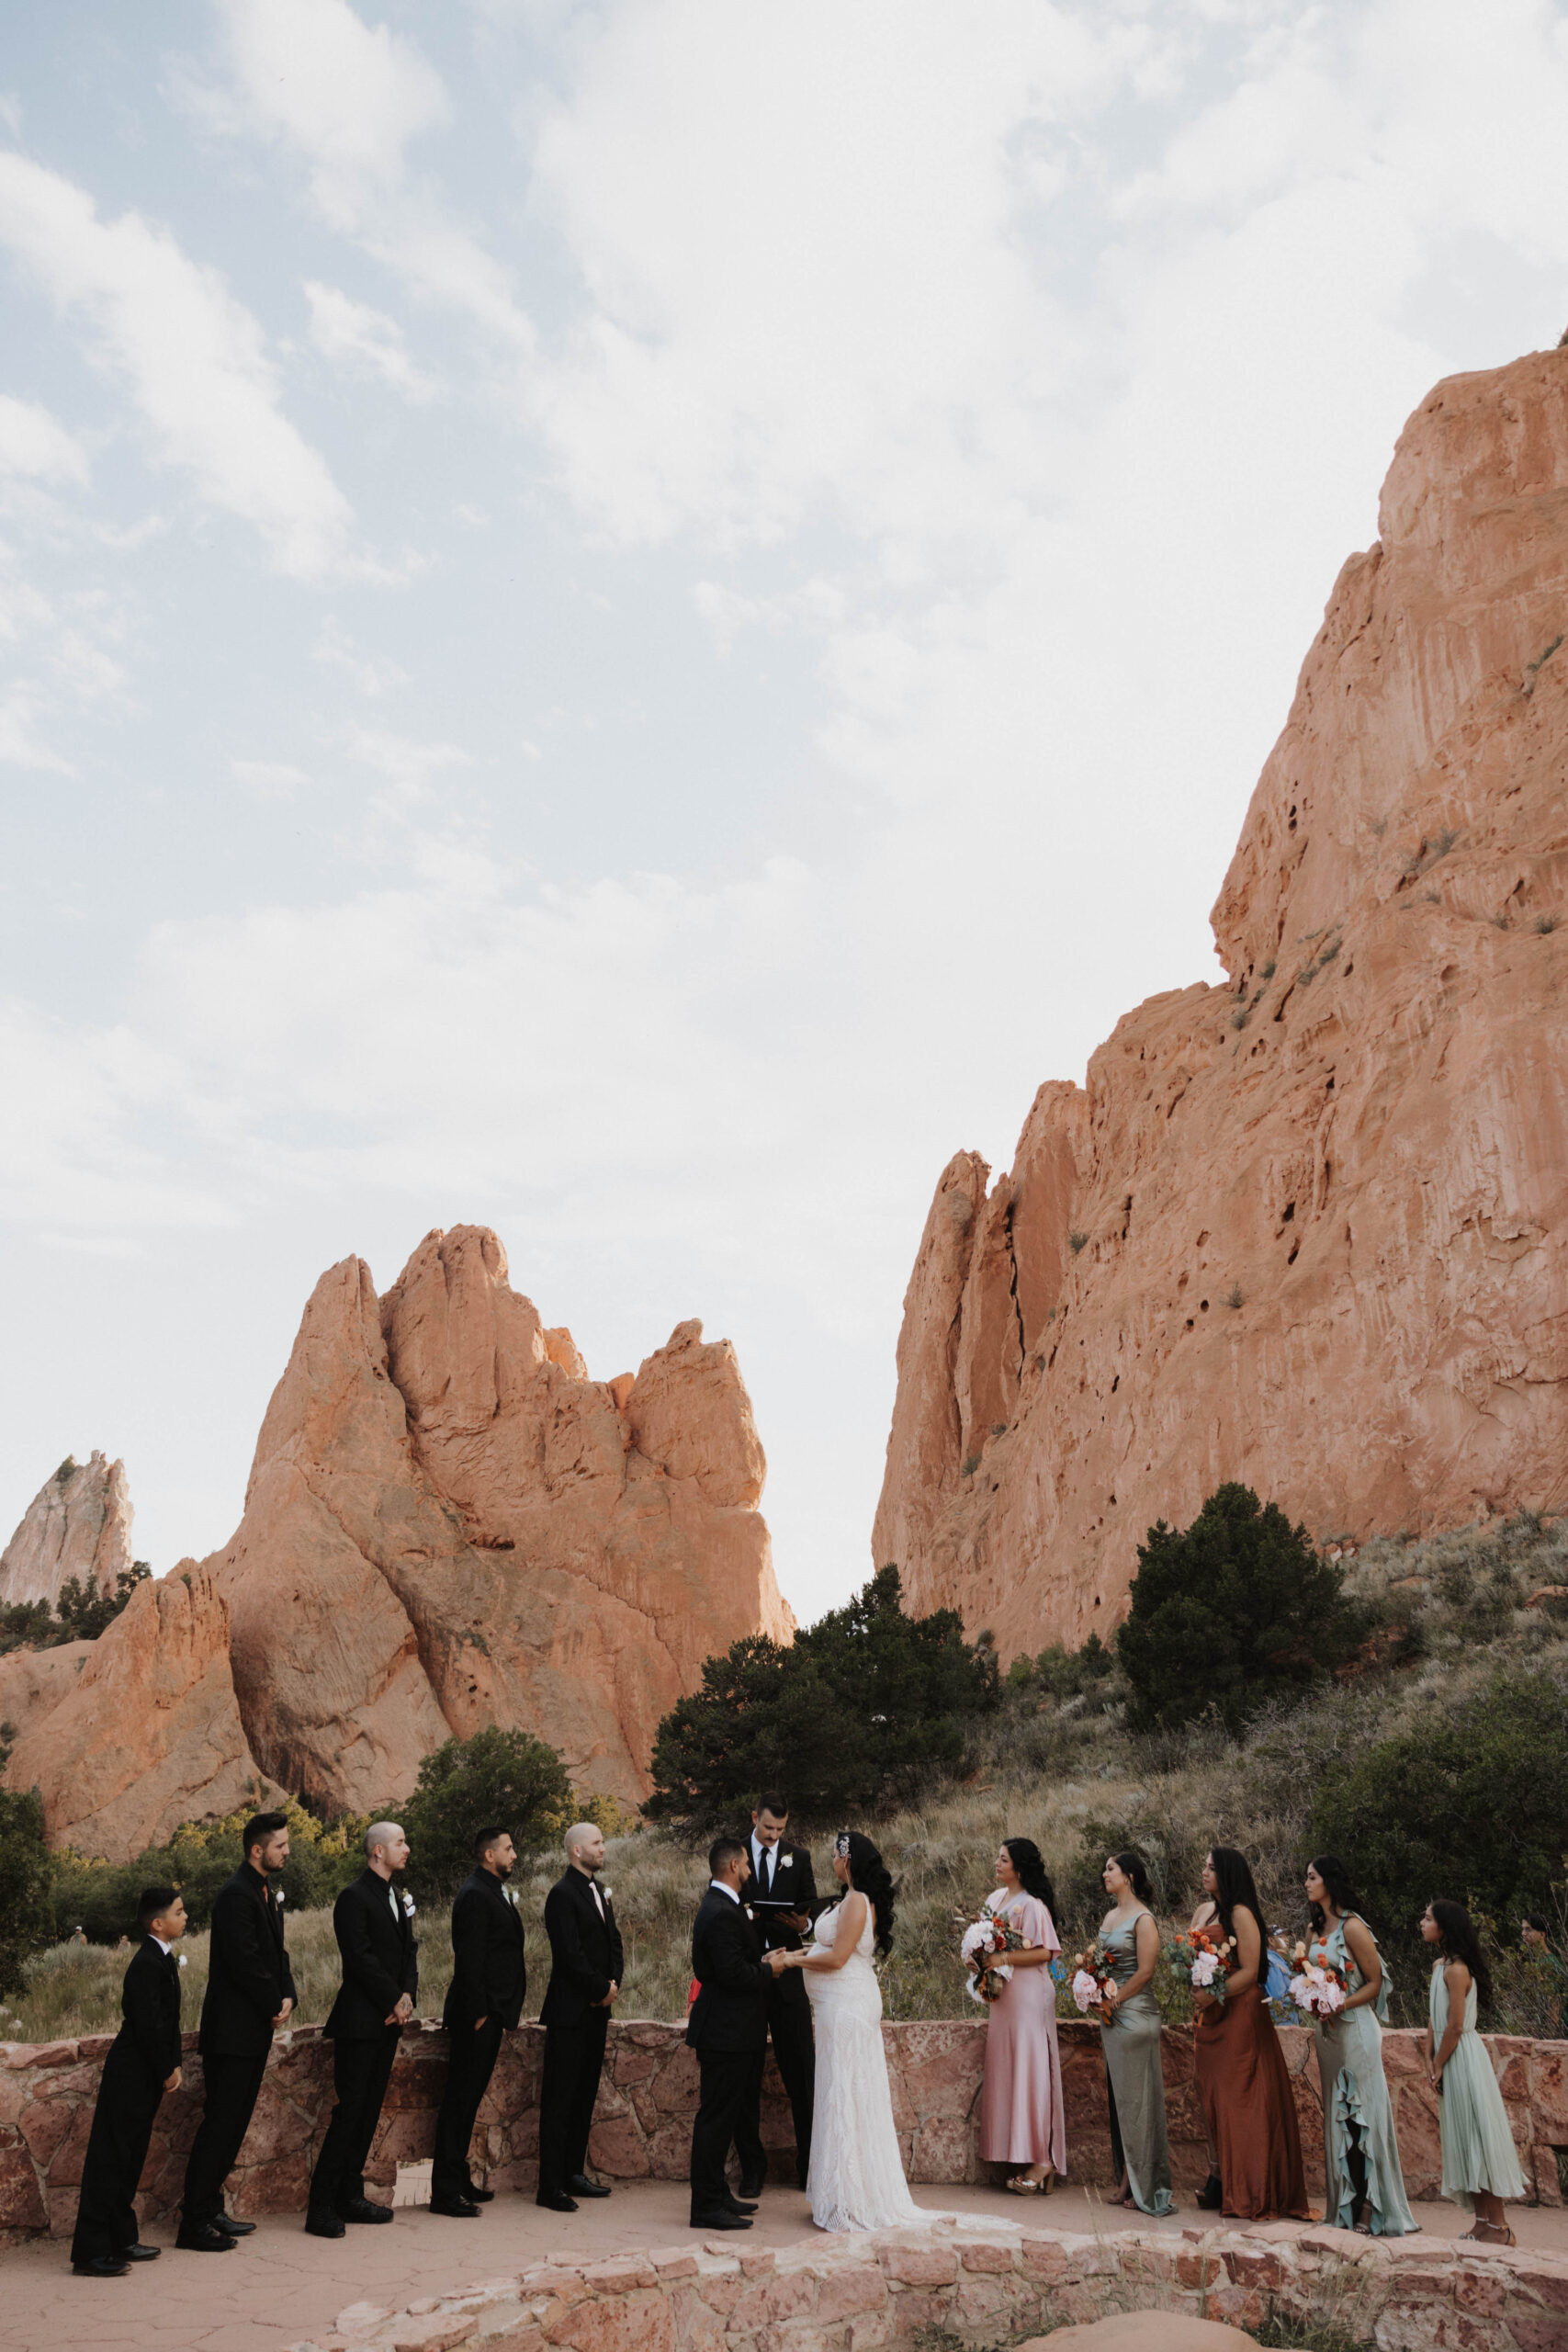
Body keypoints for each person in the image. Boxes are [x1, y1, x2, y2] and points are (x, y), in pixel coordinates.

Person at [779, 1830, 925, 2232]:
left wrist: (792, 1964)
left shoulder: (858, 1901)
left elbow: (839, 1957)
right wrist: (795, 1951)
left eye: (833, 1854)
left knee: (846, 2091)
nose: (829, 1859)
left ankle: (853, 2196)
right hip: (835, 2008)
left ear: (847, 1859)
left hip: (848, 2008)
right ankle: (840, 2191)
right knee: (836, 2090)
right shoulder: (849, 1899)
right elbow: (826, 1948)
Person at [179, 1809, 296, 2252]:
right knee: (220, 2124)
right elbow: (244, 1959)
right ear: (256, 1849)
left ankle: (211, 2210)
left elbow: (276, 1954)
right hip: (231, 2032)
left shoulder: (264, 1890)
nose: (286, 1851)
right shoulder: (234, 1895)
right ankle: (193, 2223)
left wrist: (287, 1995)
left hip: (253, 2030)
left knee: (234, 2124)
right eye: (280, 1845)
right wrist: (271, 2003)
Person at [304, 1822, 417, 2237]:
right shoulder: (352, 1897)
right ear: (377, 1852)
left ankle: (350, 2197)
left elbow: (410, 1952)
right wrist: (392, 1999)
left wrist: (407, 1996)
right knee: (349, 2114)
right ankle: (320, 2207)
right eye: (400, 1842)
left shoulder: (398, 1896)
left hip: (389, 2020)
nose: (407, 1848)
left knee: (369, 2114)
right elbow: (359, 1958)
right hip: (359, 2021)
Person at [71, 1886, 186, 2278]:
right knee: (110, 2159)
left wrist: (172, 2063)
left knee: (131, 2156)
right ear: (158, 1923)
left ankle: (121, 2238)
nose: (185, 1916)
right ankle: (90, 2253)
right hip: (131, 2072)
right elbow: (148, 2024)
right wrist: (166, 2067)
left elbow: (167, 2021)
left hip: (146, 2071)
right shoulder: (145, 1963)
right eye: (179, 1911)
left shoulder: (162, 1958)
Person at [1190, 1846, 1309, 2222]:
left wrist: (1214, 1994)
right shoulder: (1205, 1910)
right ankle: (1221, 2178)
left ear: (1227, 1873)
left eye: (1211, 1868)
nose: (1205, 1872)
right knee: (1215, 2099)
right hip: (1212, 2014)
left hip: (1239, 2013)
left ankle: (1251, 2189)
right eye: (1205, 1867)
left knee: (1241, 2100)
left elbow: (1252, 1969)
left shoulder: (1241, 1913)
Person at [1303, 1856, 1416, 2236]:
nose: (1307, 1883)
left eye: (1312, 1877)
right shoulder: (1312, 1929)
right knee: (1338, 2116)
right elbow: (1307, 1975)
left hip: (1356, 2030)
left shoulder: (1353, 1927)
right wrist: (1310, 1997)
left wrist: (1341, 2002)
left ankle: (1374, 2204)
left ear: (1330, 1882)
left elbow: (1375, 1983)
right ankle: (1346, 2204)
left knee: (1362, 2112)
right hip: (1328, 2035)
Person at [687, 1836, 791, 2230]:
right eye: (746, 1864)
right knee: (715, 2120)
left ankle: (717, 2196)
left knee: (724, 2117)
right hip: (724, 2032)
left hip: (733, 2030)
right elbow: (729, 1974)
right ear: (733, 1866)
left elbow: (729, 1963)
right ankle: (705, 2207)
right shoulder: (719, 1911)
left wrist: (761, 1960)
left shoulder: (722, 1906)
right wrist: (770, 1970)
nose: (750, 1870)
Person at [431, 1826, 526, 2216]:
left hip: (490, 2012)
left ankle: (458, 2178)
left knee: (468, 2103)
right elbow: (468, 1959)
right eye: (508, 1848)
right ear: (490, 1855)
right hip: (477, 2015)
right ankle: (444, 2193)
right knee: (458, 2102)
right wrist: (481, 2011)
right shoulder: (474, 1894)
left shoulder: (490, 1890)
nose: (514, 1854)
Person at [1423, 1898, 1525, 2245]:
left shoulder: (1457, 1970)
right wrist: (1428, 2058)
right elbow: (1434, 2022)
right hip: (1448, 2059)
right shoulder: (1440, 1966)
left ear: (1444, 1927)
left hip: (1463, 2059)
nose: (1422, 1923)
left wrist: (1438, 2064)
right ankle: (1483, 2222)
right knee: (1465, 2140)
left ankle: (1499, 2226)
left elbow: (1454, 2026)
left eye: (1428, 1918)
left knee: (1478, 2137)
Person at [536, 1821, 623, 2212]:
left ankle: (574, 2173)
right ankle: (549, 2186)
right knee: (560, 2100)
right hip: (570, 2013)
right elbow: (569, 1955)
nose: (603, 1848)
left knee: (584, 2095)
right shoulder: (561, 1895)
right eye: (597, 1843)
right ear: (576, 1851)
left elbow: (613, 1943)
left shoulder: (600, 1891)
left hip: (597, 2012)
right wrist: (598, 1990)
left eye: (603, 1842)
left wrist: (613, 1984)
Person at [734, 1792, 818, 2195]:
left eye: (781, 1830)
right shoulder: (734, 1856)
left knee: (801, 2074)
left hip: (788, 1984)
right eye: (768, 1828)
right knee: (745, 2078)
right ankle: (752, 2171)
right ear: (754, 1818)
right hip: (748, 1979)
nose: (773, 1836)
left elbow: (812, 1919)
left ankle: (810, 2167)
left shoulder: (798, 1858)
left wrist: (802, 1924)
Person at [974, 1837, 1066, 2198]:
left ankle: (1042, 2160)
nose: (997, 1864)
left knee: (1031, 2071)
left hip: (1029, 1996)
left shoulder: (1033, 1906)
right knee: (1007, 2070)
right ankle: (1014, 2152)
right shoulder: (994, 1901)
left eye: (1003, 1859)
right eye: (997, 1858)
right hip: (1002, 1998)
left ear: (1019, 1867)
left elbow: (1046, 1951)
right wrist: (979, 1960)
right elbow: (984, 1943)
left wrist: (1004, 1959)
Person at [1094, 1849, 1171, 2216]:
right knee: (1121, 2103)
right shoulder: (1111, 1916)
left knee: (1138, 2102)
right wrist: (1092, 1991)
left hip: (1136, 2014)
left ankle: (1146, 2184)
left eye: (1111, 1869)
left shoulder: (1143, 1919)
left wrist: (1114, 1999)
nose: (1104, 1873)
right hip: (1111, 2015)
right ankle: (1127, 2178)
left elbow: (1145, 1972)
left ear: (1130, 1876)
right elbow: (1100, 1963)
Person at [1521, 1914, 1568, 2040]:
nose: (1523, 1933)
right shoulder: (1540, 1962)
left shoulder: (1548, 1964)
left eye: (1528, 1929)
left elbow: (1554, 2004)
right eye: (1523, 1929)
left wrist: (1551, 2038)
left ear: (1542, 1934)